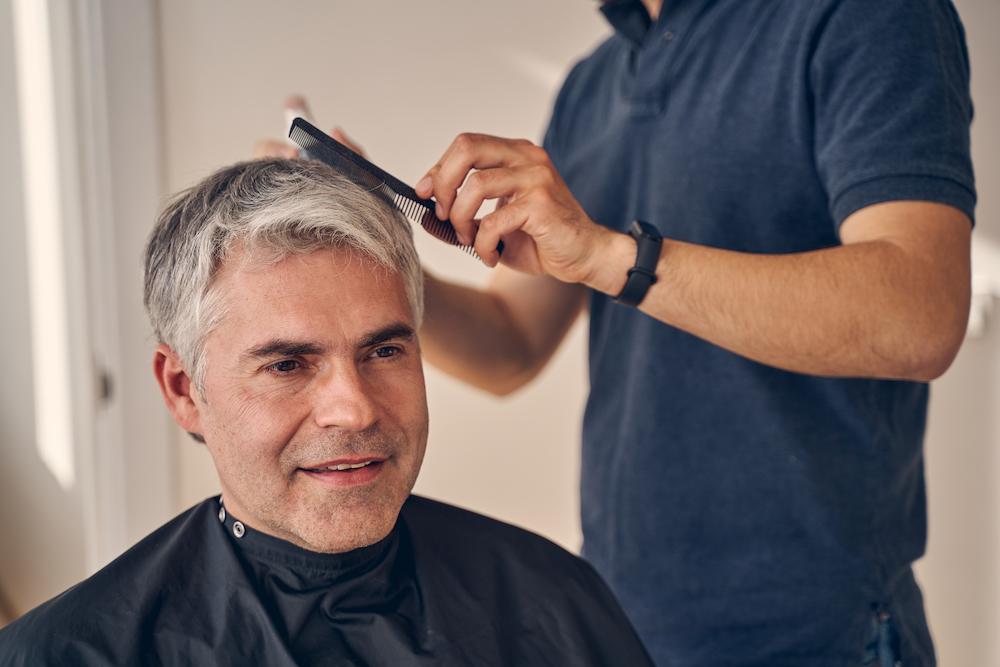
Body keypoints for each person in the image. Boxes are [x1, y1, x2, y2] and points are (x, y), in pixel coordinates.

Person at [259, 0, 976, 664]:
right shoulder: (591, 87)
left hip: (816, 634)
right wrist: (377, 248)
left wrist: (611, 256)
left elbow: (921, 314)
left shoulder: (868, 15)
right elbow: (512, 341)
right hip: (618, 623)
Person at [0, 159, 654, 666]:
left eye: (385, 349)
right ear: (182, 389)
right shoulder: (68, 654)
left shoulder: (551, 601)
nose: (354, 408)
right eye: (287, 364)